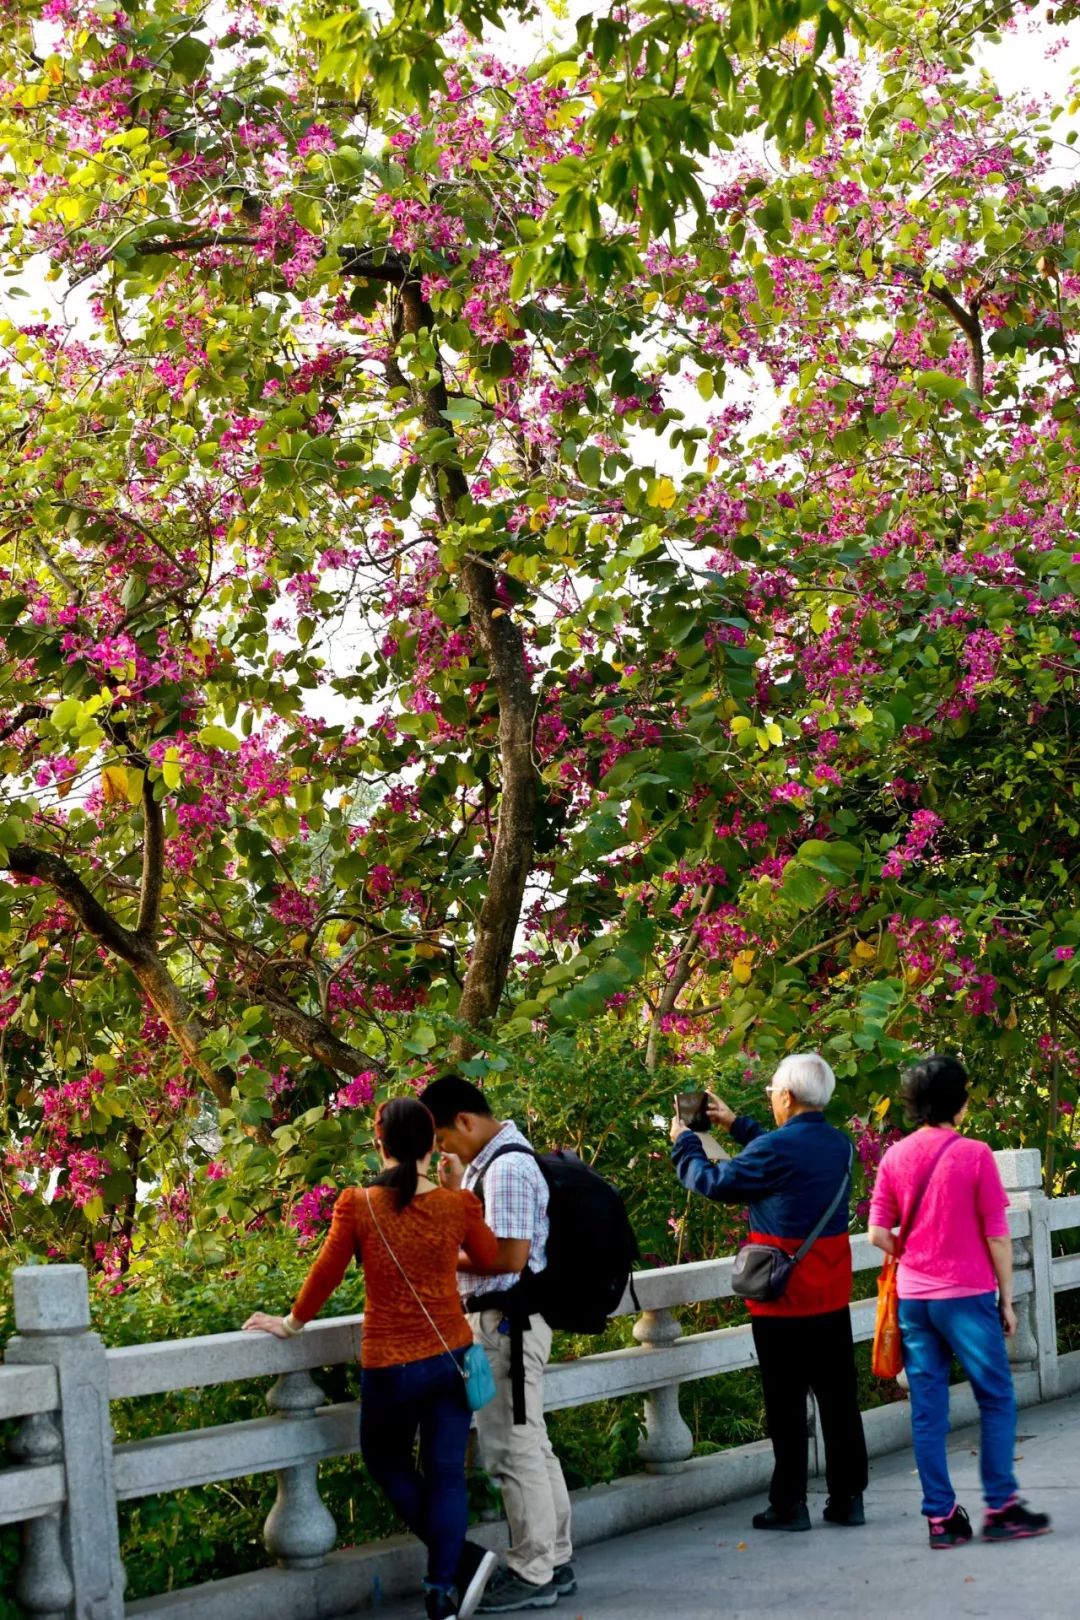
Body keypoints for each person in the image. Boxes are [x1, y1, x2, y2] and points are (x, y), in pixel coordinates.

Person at [243, 1097, 501, 1620]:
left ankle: (465, 1564)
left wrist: (291, 1323)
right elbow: (491, 1259)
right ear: (434, 1145)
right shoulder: (456, 1203)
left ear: (377, 1142)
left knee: (385, 1462)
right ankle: (441, 1588)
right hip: (451, 1355)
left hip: (391, 1363)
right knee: (447, 1475)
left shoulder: (358, 1203)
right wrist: (455, 1193)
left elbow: (327, 1271)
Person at [670, 1052, 868, 1531]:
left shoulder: (776, 1150)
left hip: (782, 1297)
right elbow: (784, 1153)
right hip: (829, 1290)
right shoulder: (840, 1145)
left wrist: (685, 1144)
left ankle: (789, 1504)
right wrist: (738, 1125)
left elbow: (716, 1183)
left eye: (772, 1093)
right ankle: (847, 1500)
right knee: (839, 1400)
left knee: (785, 1403)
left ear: (786, 1096)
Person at [868, 1053, 1052, 1550]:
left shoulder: (894, 1157)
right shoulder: (974, 1154)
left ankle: (941, 1518)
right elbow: (996, 1235)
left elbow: (876, 1234)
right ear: (960, 1103)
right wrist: (1008, 1301)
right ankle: (1000, 1507)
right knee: (995, 1398)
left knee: (927, 1411)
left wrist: (913, 1252)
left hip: (913, 1300)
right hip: (966, 1297)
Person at [420, 1074, 573, 1614]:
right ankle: (554, 1557)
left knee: (510, 1450)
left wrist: (438, 1256)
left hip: (504, 1324)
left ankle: (533, 1571)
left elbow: (507, 1258)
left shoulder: (506, 1168)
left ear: (464, 1121)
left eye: (442, 1139)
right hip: (515, 1322)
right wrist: (460, 1187)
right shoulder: (497, 1162)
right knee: (531, 1444)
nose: (443, 1149)